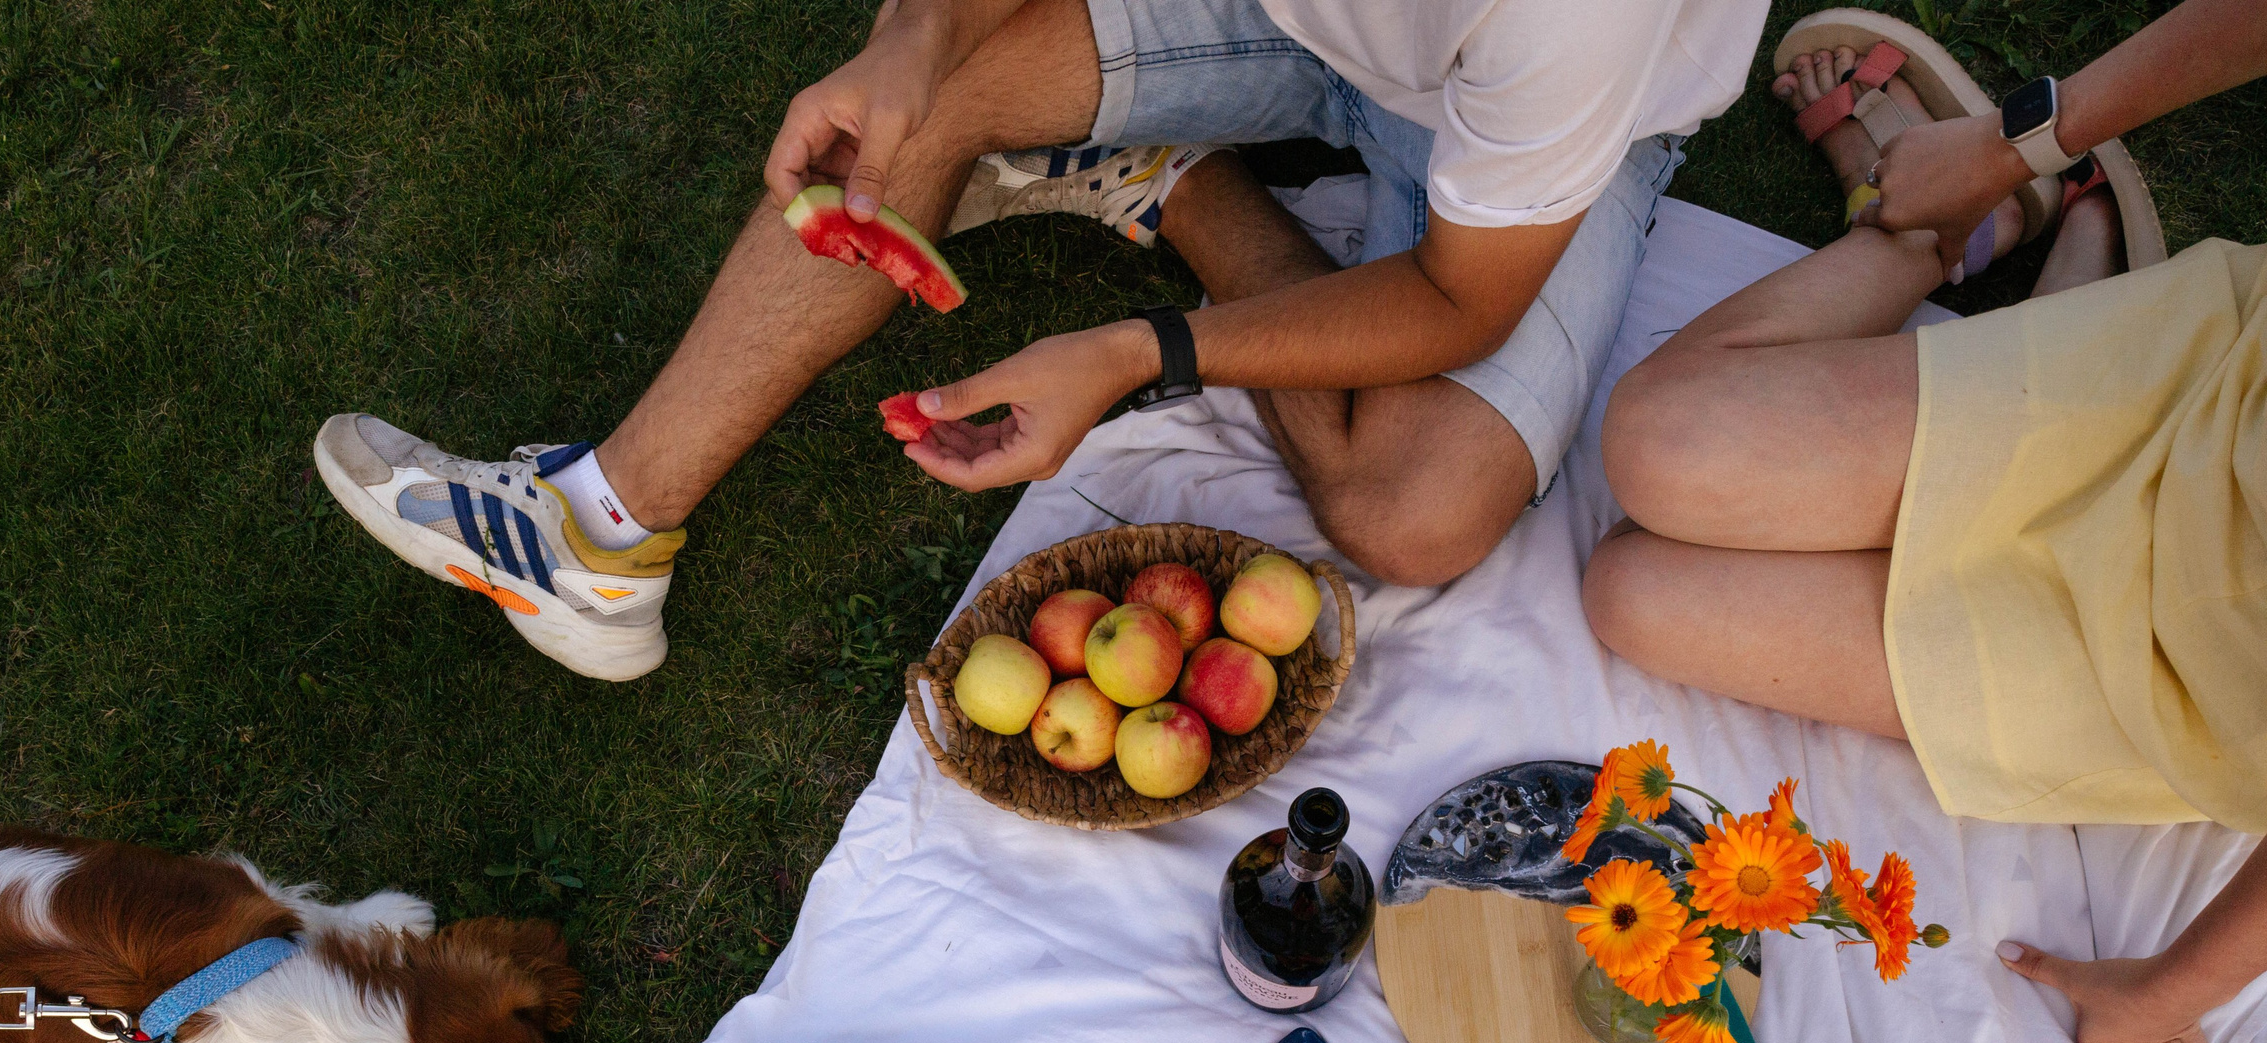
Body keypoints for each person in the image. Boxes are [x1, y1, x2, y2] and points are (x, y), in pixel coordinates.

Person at [314, 0, 1774, 681]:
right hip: (1295, 26)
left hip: (1542, 140)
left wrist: (1133, 354)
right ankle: (593, 528)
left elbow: (1464, 299)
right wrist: (918, 38)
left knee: (1412, 511)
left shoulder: (1583, 13)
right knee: (931, 107)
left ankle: (1181, 194)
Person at [1578, 2, 2267, 1043]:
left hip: (2180, 688)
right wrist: (2014, 139)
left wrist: (2159, 994)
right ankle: (1936, 232)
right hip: (2200, 421)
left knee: (1629, 592)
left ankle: (2009, 263)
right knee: (1652, 450)